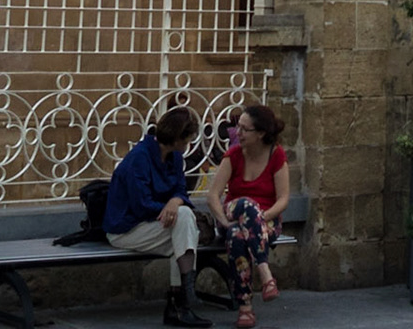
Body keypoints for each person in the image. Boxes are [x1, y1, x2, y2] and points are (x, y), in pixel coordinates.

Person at [106, 106, 211, 327]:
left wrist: (176, 201)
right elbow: (141, 204)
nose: (188, 144)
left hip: (156, 224)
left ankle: (179, 305)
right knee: (184, 226)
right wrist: (173, 206)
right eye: (187, 139)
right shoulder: (139, 158)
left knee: (182, 229)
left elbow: (181, 191)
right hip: (127, 229)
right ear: (176, 137)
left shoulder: (173, 157)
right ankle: (181, 301)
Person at [206, 103, 291, 329]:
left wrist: (260, 217)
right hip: (232, 213)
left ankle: (245, 308)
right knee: (244, 205)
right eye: (237, 127)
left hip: (265, 221)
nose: (237, 133)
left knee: (237, 235)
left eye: (244, 129)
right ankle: (265, 273)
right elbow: (213, 196)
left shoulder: (276, 154)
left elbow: (283, 199)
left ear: (261, 133)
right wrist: (224, 221)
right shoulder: (233, 155)